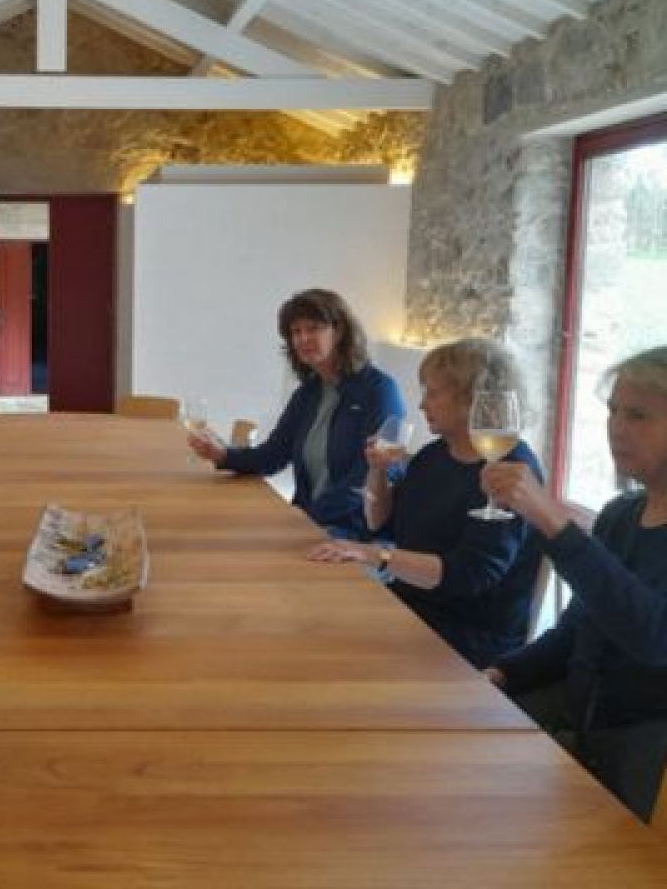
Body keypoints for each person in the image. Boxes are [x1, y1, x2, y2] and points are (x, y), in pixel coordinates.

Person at [481, 346, 667, 823]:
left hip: (647, 747)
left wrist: (553, 522)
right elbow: (579, 629)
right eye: (613, 411)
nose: (617, 428)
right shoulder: (622, 514)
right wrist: (503, 673)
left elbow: (653, 638)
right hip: (581, 717)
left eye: (639, 415)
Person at [307, 338, 544, 669]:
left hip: (467, 634)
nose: (421, 405)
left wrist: (375, 555)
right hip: (412, 607)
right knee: (312, 621)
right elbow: (381, 524)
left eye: (432, 393)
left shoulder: (511, 469)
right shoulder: (434, 455)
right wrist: (376, 472)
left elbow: (470, 574)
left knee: (331, 653)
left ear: (470, 398)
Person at [188, 287, 404, 538]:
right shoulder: (308, 393)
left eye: (313, 328)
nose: (302, 339)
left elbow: (374, 476)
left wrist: (305, 518)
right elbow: (273, 454)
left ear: (340, 331)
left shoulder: (380, 391)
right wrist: (224, 455)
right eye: (296, 331)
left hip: (355, 536)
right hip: (309, 525)